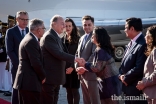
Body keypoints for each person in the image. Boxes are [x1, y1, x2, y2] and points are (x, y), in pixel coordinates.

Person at [40, 15, 82, 104]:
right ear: (54, 24)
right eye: (62, 24)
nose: (64, 27)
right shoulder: (49, 36)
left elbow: (64, 53)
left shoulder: (56, 36)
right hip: (50, 78)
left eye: (66, 25)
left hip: (57, 77)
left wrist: (73, 66)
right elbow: (59, 54)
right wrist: (76, 59)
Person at [76, 27, 122, 104]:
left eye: (93, 34)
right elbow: (99, 66)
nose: (92, 36)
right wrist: (86, 67)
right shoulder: (102, 49)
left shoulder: (100, 50)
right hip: (110, 82)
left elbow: (96, 68)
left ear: (98, 37)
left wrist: (85, 64)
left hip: (108, 84)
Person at [13, 18, 46, 104]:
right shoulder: (31, 41)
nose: (44, 30)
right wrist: (43, 76)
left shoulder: (29, 38)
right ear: (38, 30)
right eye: (43, 28)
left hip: (27, 83)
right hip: (29, 83)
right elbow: (35, 62)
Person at [118, 17, 147, 104]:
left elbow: (139, 67)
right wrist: (120, 75)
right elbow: (123, 64)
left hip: (136, 89)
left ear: (132, 28)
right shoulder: (131, 43)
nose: (124, 30)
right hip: (128, 88)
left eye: (126, 28)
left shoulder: (142, 44)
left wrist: (125, 78)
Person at [75, 15, 100, 104]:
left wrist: (85, 67)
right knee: (86, 101)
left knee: (94, 101)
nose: (87, 27)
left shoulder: (95, 37)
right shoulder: (81, 38)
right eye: (85, 25)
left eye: (89, 25)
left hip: (91, 75)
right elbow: (77, 54)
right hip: (82, 75)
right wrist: (77, 67)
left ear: (93, 25)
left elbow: (94, 54)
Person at [5, 11, 29, 104]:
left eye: (27, 19)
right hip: (17, 67)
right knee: (16, 91)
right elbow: (9, 51)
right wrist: (19, 65)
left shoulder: (28, 30)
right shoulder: (10, 32)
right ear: (17, 19)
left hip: (28, 67)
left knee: (26, 91)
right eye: (23, 19)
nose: (25, 22)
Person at [62, 18, 80, 104]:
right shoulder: (62, 39)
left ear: (73, 27)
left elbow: (79, 55)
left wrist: (72, 67)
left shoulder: (78, 39)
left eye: (70, 26)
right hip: (65, 70)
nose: (68, 28)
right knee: (68, 91)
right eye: (66, 26)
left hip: (74, 69)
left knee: (75, 91)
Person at [136, 25, 156, 104]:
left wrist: (144, 83)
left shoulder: (155, 51)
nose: (145, 37)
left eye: (147, 35)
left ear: (153, 37)